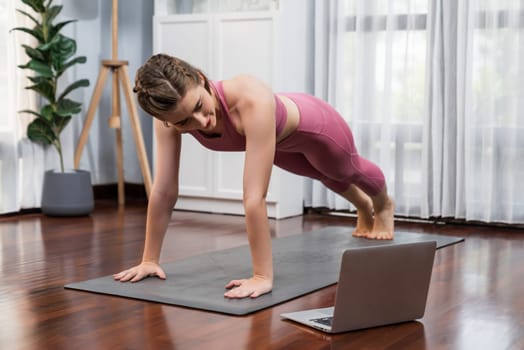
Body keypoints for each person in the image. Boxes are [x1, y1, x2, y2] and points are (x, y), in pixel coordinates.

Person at [113, 53, 395, 299]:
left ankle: (382, 204)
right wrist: (149, 259)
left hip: (317, 128)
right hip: (279, 142)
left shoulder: (249, 97)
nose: (201, 122)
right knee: (324, 175)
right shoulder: (168, 120)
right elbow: (163, 190)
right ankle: (362, 206)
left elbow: (253, 197)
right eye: (185, 121)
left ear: (200, 78)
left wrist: (262, 276)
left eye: (199, 106)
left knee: (346, 170)